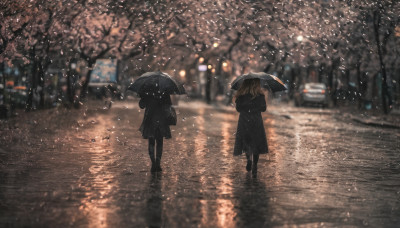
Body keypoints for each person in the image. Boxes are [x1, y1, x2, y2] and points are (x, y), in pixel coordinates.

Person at [233, 78, 268, 177]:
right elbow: (263, 109)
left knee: (247, 142)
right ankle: (255, 165)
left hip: (244, 121)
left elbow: (238, 109)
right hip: (256, 121)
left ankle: (249, 159)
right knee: (256, 143)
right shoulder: (260, 95)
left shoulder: (241, 95)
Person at [139, 92, 172, 172]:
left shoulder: (147, 91)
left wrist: (143, 97)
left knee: (151, 142)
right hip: (161, 120)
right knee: (160, 142)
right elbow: (168, 106)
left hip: (150, 119)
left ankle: (153, 163)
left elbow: (142, 105)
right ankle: (158, 163)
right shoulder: (164, 91)